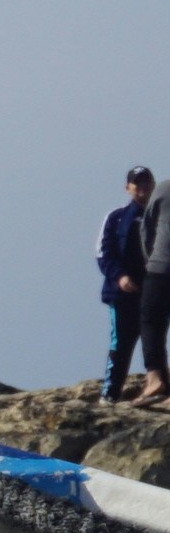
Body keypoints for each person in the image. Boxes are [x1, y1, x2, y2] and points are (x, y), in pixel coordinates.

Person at [109, 169, 151, 398]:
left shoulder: (161, 216)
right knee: (121, 345)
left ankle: (157, 387)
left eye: (146, 182)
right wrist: (120, 277)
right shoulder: (116, 218)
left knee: (153, 344)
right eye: (137, 184)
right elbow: (104, 253)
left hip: (154, 292)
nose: (142, 187)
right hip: (123, 294)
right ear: (128, 188)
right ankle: (110, 394)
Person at [141, 168, 170, 402]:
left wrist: (150, 258)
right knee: (152, 322)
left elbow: (147, 230)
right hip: (160, 265)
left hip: (160, 267)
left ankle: (155, 379)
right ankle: (158, 381)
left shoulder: (162, 189)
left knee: (152, 323)